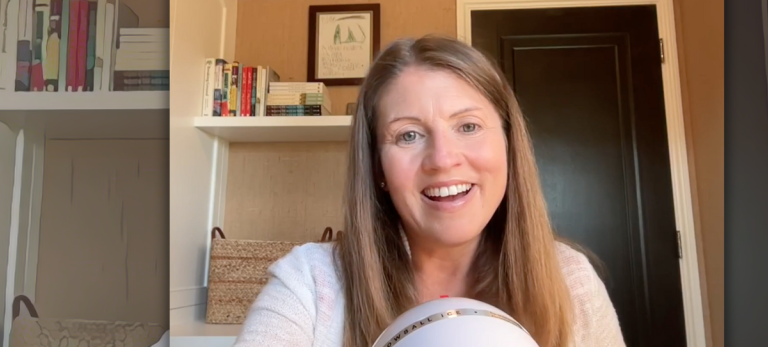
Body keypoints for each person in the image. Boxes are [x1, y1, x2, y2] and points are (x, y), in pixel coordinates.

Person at [234, 35, 625, 347]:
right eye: (408, 135)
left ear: (509, 144)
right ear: (377, 168)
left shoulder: (571, 281)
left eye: (468, 126)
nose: (442, 159)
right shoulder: (310, 283)